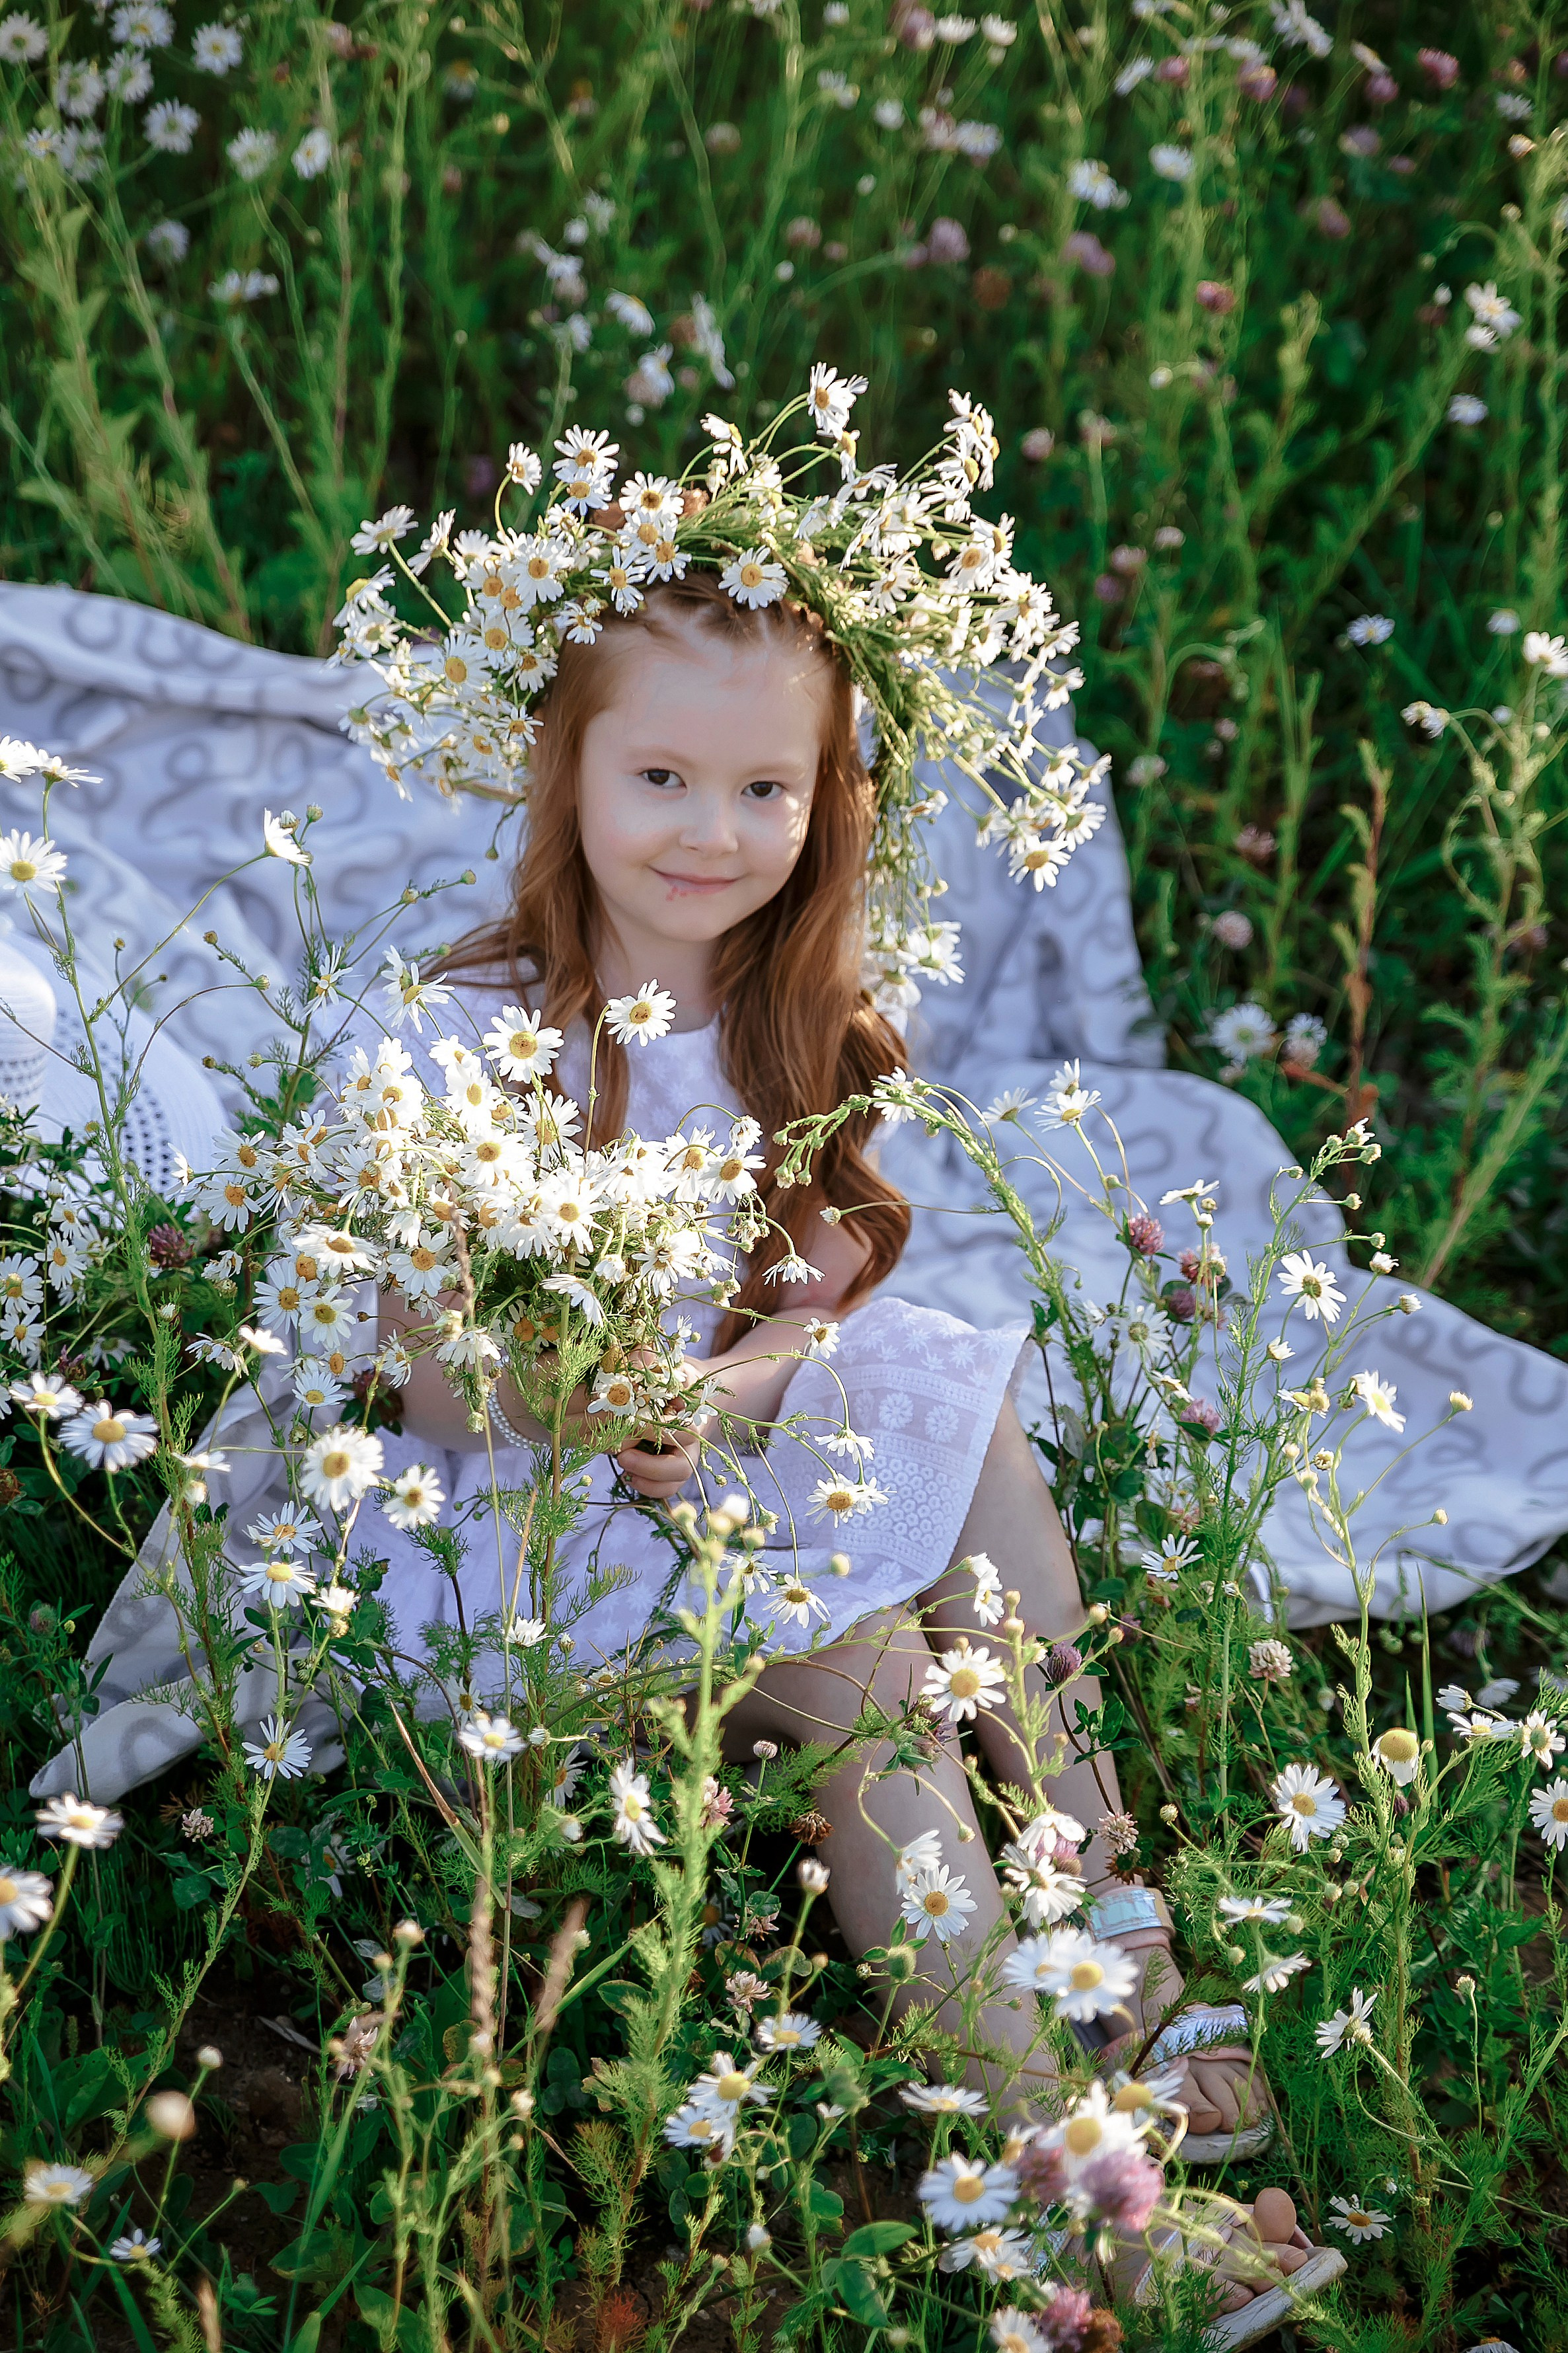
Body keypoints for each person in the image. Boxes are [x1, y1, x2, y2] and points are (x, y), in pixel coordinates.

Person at [361, 559, 1325, 2326]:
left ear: (826, 799)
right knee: (871, 1668)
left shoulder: (795, 1007)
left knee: (954, 1396)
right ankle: (1063, 2200)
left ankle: (1116, 1927)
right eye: (660, 778)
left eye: (765, 787)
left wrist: (716, 1396)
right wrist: (577, 1396)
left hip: (710, 1457)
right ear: (564, 771)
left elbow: (814, 1302)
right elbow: (433, 1400)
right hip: (517, 1530)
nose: (712, 831)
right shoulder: (469, 1036)